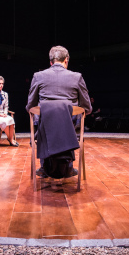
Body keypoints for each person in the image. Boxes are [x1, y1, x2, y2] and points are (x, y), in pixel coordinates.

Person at [26, 45, 92, 177]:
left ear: (51, 62)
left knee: (44, 120)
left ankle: (45, 167)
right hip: (70, 130)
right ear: (66, 60)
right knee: (69, 121)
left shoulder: (38, 76)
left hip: (44, 129)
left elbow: (30, 107)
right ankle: (67, 167)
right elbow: (87, 108)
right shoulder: (77, 77)